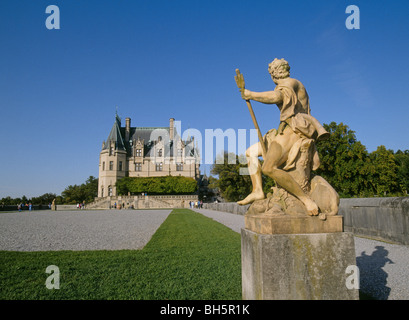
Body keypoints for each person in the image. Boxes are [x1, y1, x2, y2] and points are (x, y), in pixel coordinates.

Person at [236, 58, 329, 216]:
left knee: (268, 167)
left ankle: (305, 200)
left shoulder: (291, 83)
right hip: (283, 129)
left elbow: (277, 97)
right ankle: (257, 190)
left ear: (273, 74)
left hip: (296, 130)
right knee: (250, 153)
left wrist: (250, 94)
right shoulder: (287, 84)